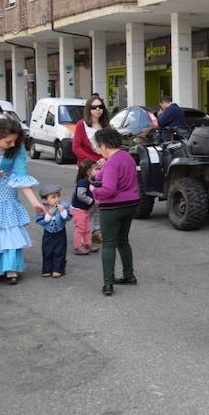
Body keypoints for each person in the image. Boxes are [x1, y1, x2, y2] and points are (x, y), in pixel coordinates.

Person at [0, 119, 44, 284]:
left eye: (15, 140)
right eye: (8, 141)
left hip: (6, 188)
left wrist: (35, 203)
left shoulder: (17, 149)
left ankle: (10, 268)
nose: (13, 144)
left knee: (9, 227)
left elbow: (21, 176)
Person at [91, 127, 140, 297]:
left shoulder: (112, 162)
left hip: (113, 207)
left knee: (109, 244)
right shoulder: (126, 157)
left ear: (104, 145)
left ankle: (108, 284)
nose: (98, 150)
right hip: (131, 204)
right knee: (123, 241)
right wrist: (100, 172)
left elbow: (108, 190)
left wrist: (93, 190)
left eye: (98, 146)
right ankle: (129, 275)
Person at [35, 184, 70, 278]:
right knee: (47, 250)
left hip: (60, 231)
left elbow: (67, 218)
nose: (57, 199)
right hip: (48, 232)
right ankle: (47, 269)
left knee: (60, 250)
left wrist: (63, 212)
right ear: (45, 200)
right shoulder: (43, 208)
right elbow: (40, 220)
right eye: (53, 197)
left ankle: (58, 269)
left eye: (58, 196)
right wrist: (48, 216)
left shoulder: (64, 206)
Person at [70, 159, 99, 255]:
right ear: (88, 171)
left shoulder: (88, 181)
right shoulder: (83, 182)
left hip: (84, 209)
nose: (98, 171)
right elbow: (80, 195)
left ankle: (87, 244)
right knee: (80, 229)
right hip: (79, 210)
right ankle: (78, 247)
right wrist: (92, 201)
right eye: (95, 169)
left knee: (87, 228)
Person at [73, 96, 109, 165]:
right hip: (87, 165)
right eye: (94, 107)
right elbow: (76, 147)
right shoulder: (81, 125)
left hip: (104, 165)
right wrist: (92, 160)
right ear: (88, 109)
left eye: (100, 106)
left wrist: (104, 159)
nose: (98, 109)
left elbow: (111, 148)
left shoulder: (107, 126)